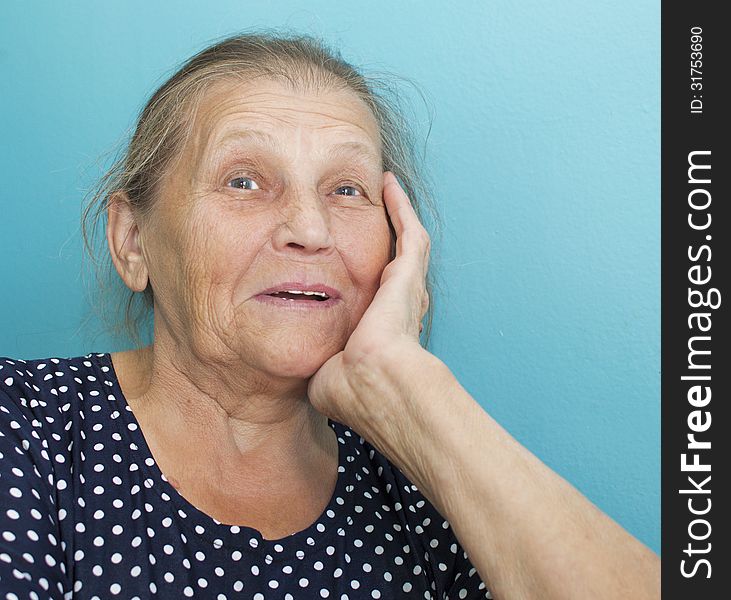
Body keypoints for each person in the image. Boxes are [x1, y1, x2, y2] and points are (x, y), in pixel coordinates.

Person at [0, 31, 659, 599]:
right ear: (133, 241)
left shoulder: (429, 482)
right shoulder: (25, 427)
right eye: (244, 180)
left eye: (346, 190)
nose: (310, 230)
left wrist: (410, 389)